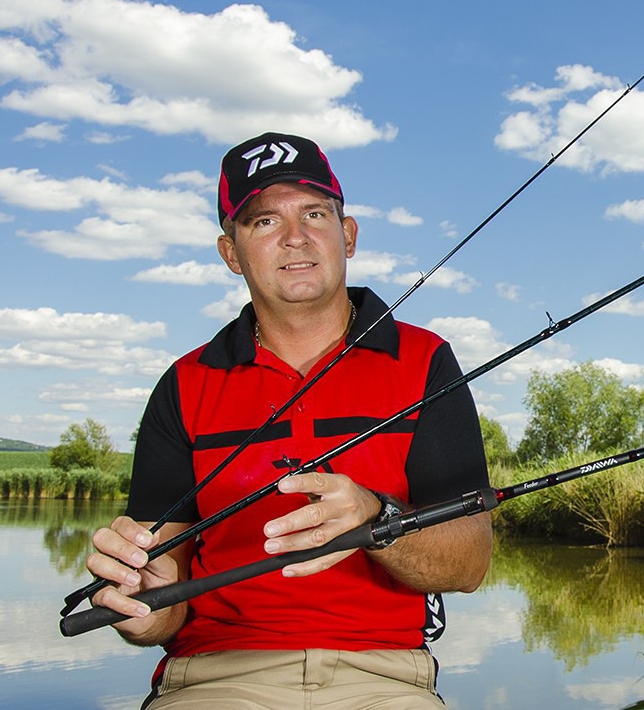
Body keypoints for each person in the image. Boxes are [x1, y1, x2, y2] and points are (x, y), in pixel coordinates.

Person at [86, 132, 493, 708]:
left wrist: (377, 521)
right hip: (214, 678)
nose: (296, 237)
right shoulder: (184, 385)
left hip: (383, 677)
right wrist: (141, 604)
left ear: (347, 235)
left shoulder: (426, 360)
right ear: (231, 252)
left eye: (314, 213)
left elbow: (470, 561)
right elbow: (162, 612)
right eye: (263, 222)